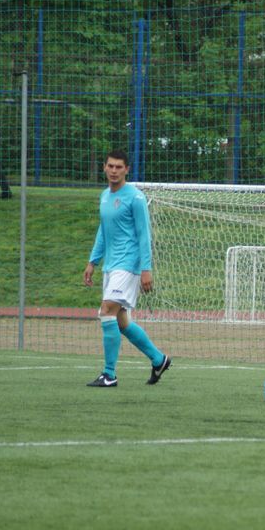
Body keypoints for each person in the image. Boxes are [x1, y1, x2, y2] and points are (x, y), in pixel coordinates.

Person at [83, 150, 171, 387]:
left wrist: (146, 269)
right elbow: (103, 231)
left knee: (106, 311)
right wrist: (93, 261)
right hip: (111, 266)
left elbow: (144, 234)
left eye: (119, 167)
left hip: (129, 265)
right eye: (110, 166)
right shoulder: (104, 196)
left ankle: (109, 374)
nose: (114, 171)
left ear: (127, 170)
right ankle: (158, 359)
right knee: (121, 322)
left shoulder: (136, 198)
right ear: (104, 167)